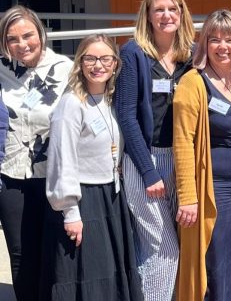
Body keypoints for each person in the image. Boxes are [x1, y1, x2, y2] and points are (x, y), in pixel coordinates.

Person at [40, 34, 143, 300]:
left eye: (105, 58)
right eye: (91, 58)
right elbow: (62, 159)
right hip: (85, 199)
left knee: (110, 274)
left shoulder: (111, 101)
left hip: (111, 195)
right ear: (80, 62)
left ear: (115, 63)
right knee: (89, 276)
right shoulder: (72, 103)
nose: (98, 65)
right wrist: (70, 211)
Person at [115, 0, 195, 300]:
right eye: (158, 9)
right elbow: (126, 115)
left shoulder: (190, 55)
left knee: (164, 250)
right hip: (145, 161)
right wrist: (149, 172)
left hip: (180, 160)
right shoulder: (133, 53)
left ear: (181, 12)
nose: (166, 15)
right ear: (147, 15)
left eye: (172, 8)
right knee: (164, 252)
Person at [174, 10, 231, 300]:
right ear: (204, 44)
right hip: (214, 188)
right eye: (215, 40)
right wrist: (188, 196)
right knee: (218, 262)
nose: (223, 46)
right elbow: (183, 141)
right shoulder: (193, 82)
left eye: (230, 39)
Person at [0, 5, 73, 301]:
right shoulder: (1, 69)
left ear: (41, 33)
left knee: (54, 250)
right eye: (13, 39)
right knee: (20, 254)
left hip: (53, 174)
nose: (22, 44)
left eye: (28, 35)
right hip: (11, 174)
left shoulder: (65, 68)